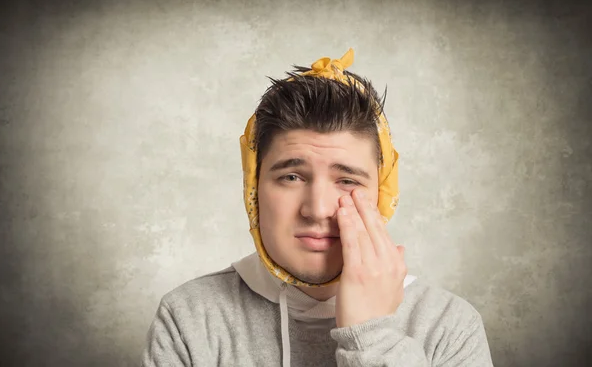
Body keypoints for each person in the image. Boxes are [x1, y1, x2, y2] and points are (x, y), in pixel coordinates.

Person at [140, 49, 494, 366]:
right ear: (253, 190)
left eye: (348, 181)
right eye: (292, 177)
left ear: (381, 195)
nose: (318, 209)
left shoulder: (449, 326)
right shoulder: (188, 318)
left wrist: (372, 337)